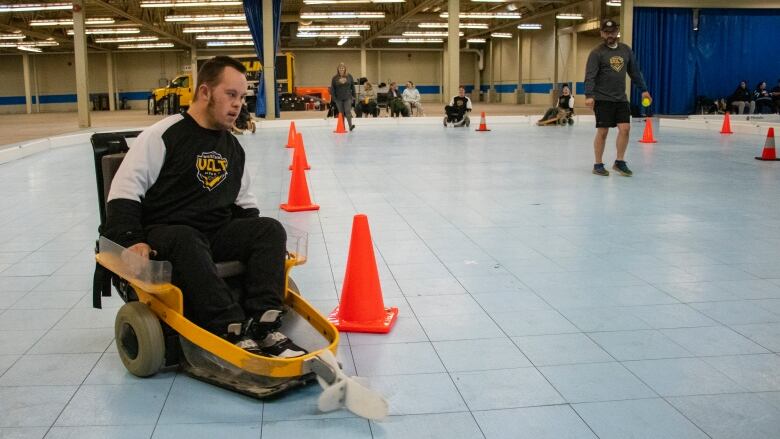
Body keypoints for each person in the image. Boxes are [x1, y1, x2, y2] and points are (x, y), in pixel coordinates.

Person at [103, 56, 305, 358]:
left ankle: (264, 321)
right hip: (168, 234)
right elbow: (123, 192)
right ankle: (227, 326)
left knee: (269, 230)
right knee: (187, 238)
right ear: (205, 92)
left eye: (242, 97)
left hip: (215, 233)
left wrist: (261, 244)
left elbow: (244, 202)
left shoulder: (233, 147)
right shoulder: (163, 135)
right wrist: (132, 240)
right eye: (231, 95)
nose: (238, 104)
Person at [584, 19, 651, 177]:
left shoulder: (626, 50)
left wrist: (644, 90)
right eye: (607, 33)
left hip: (621, 99)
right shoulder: (597, 53)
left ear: (617, 32)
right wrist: (589, 95)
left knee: (625, 129)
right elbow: (590, 76)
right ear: (602, 33)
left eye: (613, 32)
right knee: (603, 132)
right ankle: (598, 164)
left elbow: (634, 72)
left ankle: (619, 162)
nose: (610, 35)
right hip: (603, 99)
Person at [330, 62, 356, 131]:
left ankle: (350, 126)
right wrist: (334, 98)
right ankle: (342, 127)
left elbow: (352, 86)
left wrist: (354, 95)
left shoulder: (349, 76)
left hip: (348, 97)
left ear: (345, 69)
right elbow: (332, 89)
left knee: (348, 111)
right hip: (338, 98)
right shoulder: (334, 78)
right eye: (340, 68)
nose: (341, 69)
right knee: (341, 113)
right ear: (338, 69)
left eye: (343, 68)